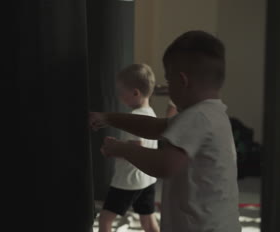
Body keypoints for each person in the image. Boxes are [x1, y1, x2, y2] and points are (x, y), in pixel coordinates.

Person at [90, 30, 241, 232]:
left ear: (182, 81)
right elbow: (156, 127)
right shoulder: (212, 113)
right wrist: (109, 118)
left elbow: (164, 165)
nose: (168, 88)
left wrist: (122, 149)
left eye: (169, 82)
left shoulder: (197, 117)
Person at [98, 64, 160, 232]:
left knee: (104, 220)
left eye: (121, 92)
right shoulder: (150, 113)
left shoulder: (135, 117)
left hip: (128, 181)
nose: (119, 97)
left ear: (135, 93)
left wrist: (112, 149)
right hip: (147, 180)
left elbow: (135, 149)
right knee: (148, 220)